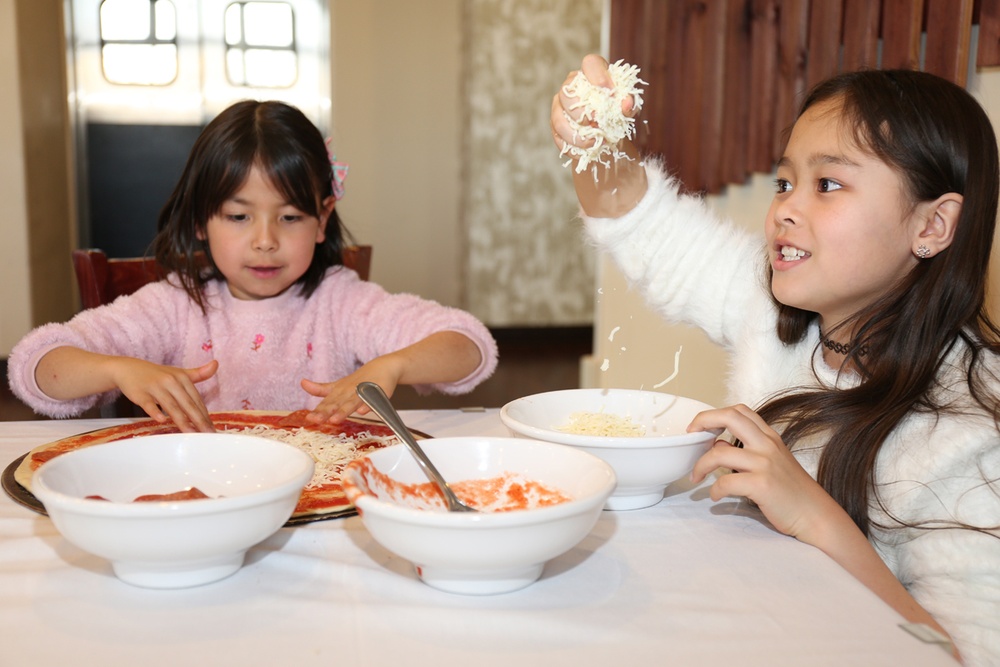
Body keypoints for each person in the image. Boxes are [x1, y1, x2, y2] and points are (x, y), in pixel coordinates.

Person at [552, 55, 1000, 664]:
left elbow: (958, 650)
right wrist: (597, 141)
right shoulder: (775, 307)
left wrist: (815, 516)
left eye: (829, 185)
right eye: (785, 183)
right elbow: (649, 232)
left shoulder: (971, 438)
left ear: (933, 224)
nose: (784, 210)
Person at [8, 100, 497, 433]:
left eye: (289, 217)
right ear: (202, 220)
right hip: (206, 501)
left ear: (322, 219)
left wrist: (395, 364)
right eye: (239, 216)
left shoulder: (343, 301)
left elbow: (470, 348)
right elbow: (35, 365)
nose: (265, 241)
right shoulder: (174, 304)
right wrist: (118, 368)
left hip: (322, 505)